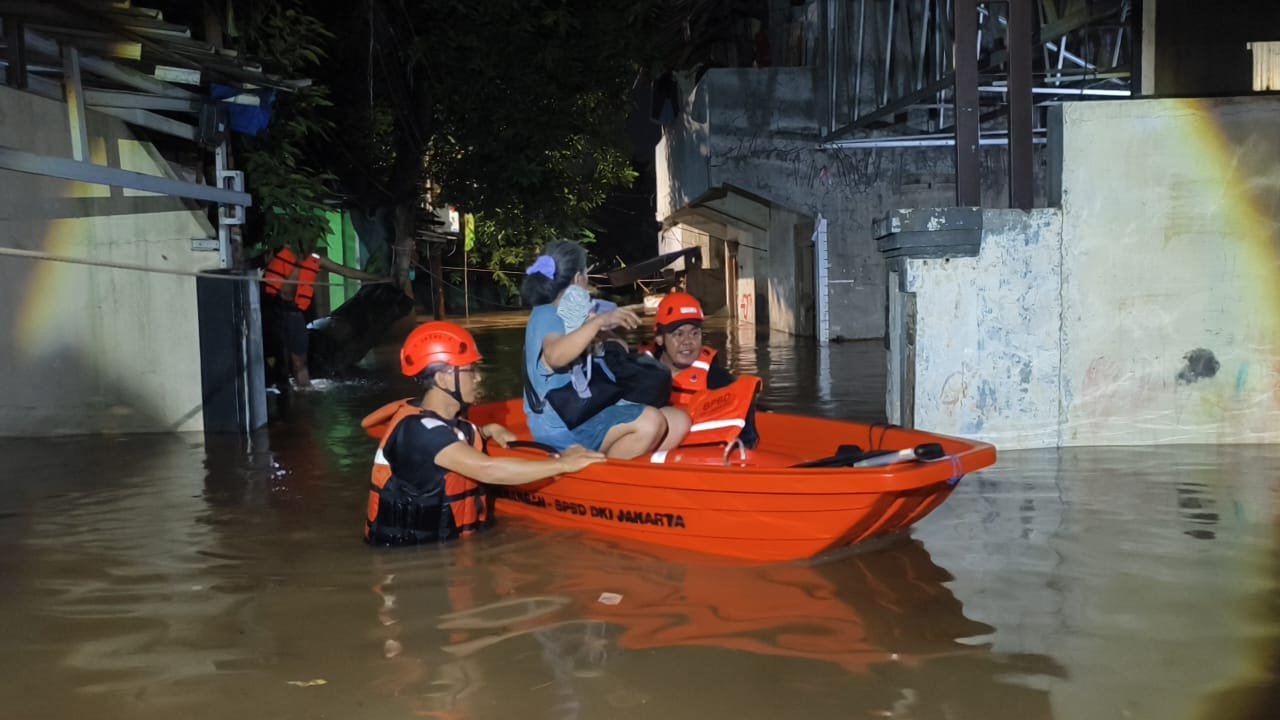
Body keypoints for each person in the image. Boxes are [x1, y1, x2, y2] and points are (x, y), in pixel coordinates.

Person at [363, 321, 605, 546]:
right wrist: (563, 464)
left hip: (450, 546)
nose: (478, 378)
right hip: (413, 561)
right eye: (470, 370)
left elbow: (450, 439)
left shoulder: (446, 422)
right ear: (443, 378)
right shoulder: (418, 432)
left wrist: (486, 430)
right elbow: (488, 469)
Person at [520, 240, 690, 459]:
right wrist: (597, 323)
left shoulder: (578, 316)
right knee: (650, 422)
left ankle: (632, 468)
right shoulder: (546, 314)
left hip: (591, 409)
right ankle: (600, 474)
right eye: (586, 275)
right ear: (577, 278)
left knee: (678, 421)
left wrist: (601, 332)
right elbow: (554, 356)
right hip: (562, 424)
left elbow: (617, 349)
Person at [642, 291, 760, 448]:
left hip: (696, 452)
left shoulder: (716, 377)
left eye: (695, 333)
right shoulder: (638, 369)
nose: (688, 341)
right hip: (649, 445)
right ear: (659, 338)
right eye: (678, 334)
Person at [261, 244, 387, 388]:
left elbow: (344, 270)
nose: (311, 243)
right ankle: (282, 393)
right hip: (274, 312)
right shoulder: (279, 253)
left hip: (295, 314)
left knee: (300, 362)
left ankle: (304, 393)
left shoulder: (316, 259)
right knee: (279, 360)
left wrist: (378, 278)